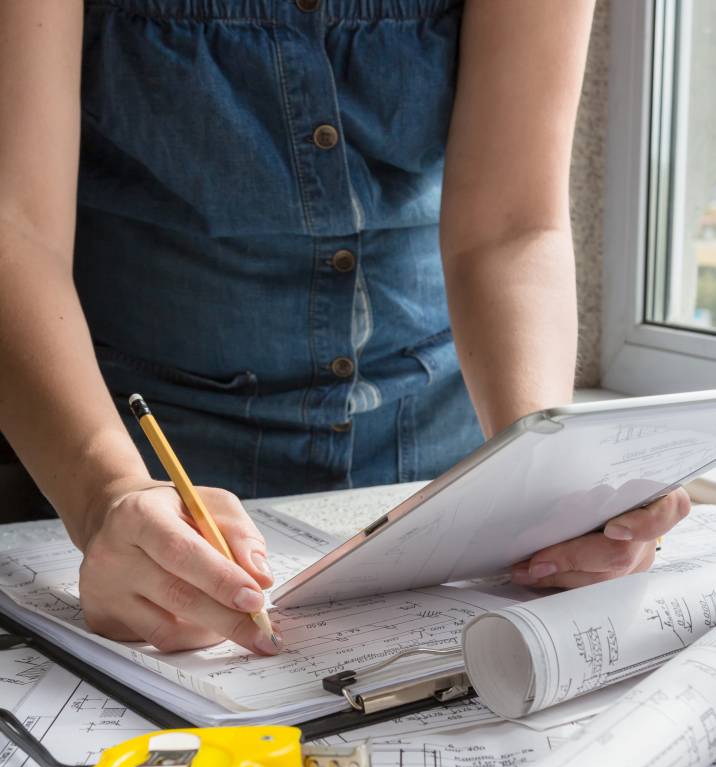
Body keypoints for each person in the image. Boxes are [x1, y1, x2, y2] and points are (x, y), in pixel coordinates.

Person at [0, 0, 689, 656]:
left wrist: (546, 475)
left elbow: (511, 228)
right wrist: (106, 497)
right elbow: (16, 229)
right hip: (135, 458)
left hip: (445, 468)